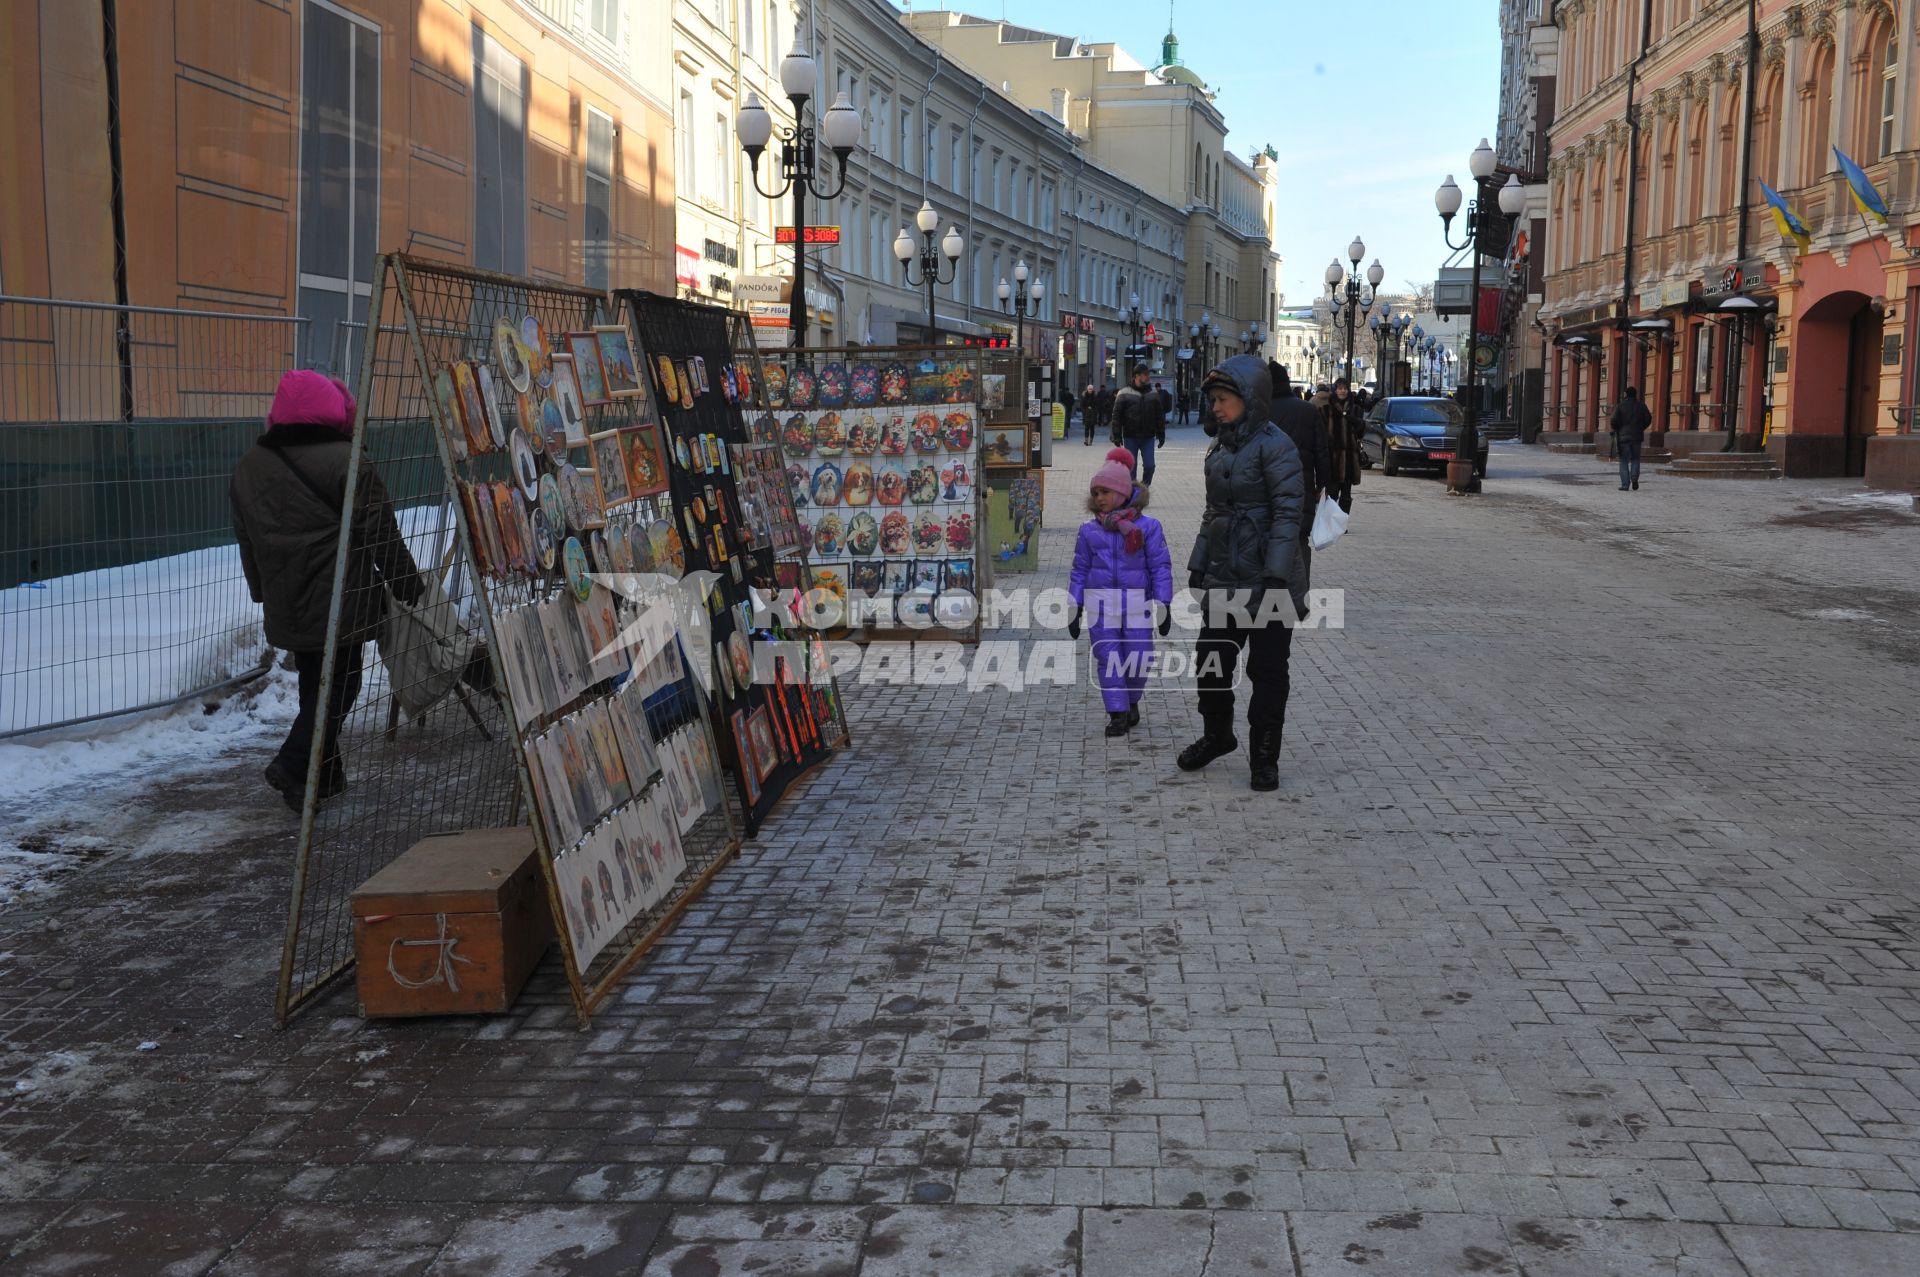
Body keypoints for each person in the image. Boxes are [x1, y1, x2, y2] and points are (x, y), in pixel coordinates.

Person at [231, 369, 424, 811]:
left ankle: (321, 779)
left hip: (286, 596)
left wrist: (260, 590)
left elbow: (245, 535)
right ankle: (294, 761)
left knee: (315, 685)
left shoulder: (249, 466)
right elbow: (380, 529)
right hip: (339, 596)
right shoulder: (348, 460)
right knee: (342, 684)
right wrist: (404, 579)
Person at [1180, 356, 1304, 792]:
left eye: (1223, 399)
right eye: (1213, 400)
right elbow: (1214, 512)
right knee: (1211, 663)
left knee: (1268, 672)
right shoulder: (1221, 448)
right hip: (1224, 576)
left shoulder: (1277, 446)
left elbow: (1290, 514)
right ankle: (1219, 735)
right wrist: (1199, 562)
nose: (1216, 407)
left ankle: (1264, 757)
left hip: (1272, 581)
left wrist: (1275, 575)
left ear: (1249, 399)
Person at [1067, 448, 1173, 737]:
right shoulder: (1090, 531)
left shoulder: (1148, 528)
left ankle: (1132, 700)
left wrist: (1164, 604)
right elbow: (1079, 569)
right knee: (1109, 657)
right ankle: (1117, 713)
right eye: (1096, 492)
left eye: (1106, 491)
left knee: (1139, 657)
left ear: (1124, 492)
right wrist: (1074, 606)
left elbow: (1160, 567)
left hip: (1137, 604)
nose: (1100, 498)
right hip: (1101, 606)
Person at [1269, 362, 1329, 557]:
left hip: (1266, 487)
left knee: (1268, 539)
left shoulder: (1259, 411)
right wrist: (1323, 485)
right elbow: (1321, 451)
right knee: (1300, 540)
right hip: (1301, 487)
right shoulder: (1308, 410)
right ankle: (1300, 585)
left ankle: (1273, 585)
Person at [1111, 363, 1169, 486]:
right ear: (1137, 376)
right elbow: (1116, 415)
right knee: (1131, 467)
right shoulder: (1124, 393)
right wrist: (1116, 434)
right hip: (1130, 436)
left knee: (1150, 466)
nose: (1148, 377)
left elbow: (1159, 416)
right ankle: (1133, 493)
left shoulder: (1153, 394)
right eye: (1145, 374)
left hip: (1148, 436)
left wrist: (1161, 434)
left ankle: (1143, 488)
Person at [1321, 376, 1364, 513]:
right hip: (1333, 458)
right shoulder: (1327, 410)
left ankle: (1342, 521)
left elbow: (1361, 432)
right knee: (1332, 493)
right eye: (1340, 388)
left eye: (1345, 388)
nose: (1342, 391)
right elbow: (1321, 434)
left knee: (1346, 495)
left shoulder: (1355, 409)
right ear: (1335, 390)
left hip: (1350, 460)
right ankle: (1332, 521)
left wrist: (1356, 422)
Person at [1611, 385, 1652, 490]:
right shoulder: (1641, 406)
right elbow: (1648, 419)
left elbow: (1613, 421)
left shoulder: (1620, 406)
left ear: (1626, 394)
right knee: (1635, 459)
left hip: (1623, 437)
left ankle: (1625, 484)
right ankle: (1634, 479)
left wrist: (1618, 429)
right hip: (1637, 437)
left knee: (1624, 460)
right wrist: (1640, 428)